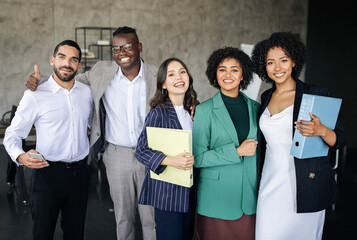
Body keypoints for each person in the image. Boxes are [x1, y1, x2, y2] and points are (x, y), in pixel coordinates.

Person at [26, 26, 156, 240]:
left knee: (151, 217)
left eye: (128, 47)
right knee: (123, 218)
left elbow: (178, 93)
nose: (122, 53)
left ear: (139, 47)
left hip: (151, 154)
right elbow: (68, 78)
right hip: (116, 154)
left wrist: (192, 103)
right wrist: (38, 81)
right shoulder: (101, 72)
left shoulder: (156, 75)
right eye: (116, 48)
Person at [251, 32, 345, 240]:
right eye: (270, 62)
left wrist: (322, 131)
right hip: (270, 184)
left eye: (283, 60)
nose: (278, 68)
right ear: (263, 67)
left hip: (306, 186)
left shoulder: (314, 93)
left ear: (293, 61)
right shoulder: (266, 97)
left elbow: (340, 139)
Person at [4, 40, 93, 240]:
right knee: (43, 233)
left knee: (75, 234)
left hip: (80, 174)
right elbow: (12, 134)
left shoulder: (87, 93)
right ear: (53, 60)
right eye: (62, 57)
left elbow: (92, 124)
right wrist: (20, 155)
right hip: (48, 174)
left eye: (73, 59)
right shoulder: (35, 95)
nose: (67, 63)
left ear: (79, 66)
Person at [192, 47, 259, 240]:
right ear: (215, 73)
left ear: (243, 75)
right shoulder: (204, 111)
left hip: (249, 197)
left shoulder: (256, 108)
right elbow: (198, 158)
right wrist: (237, 151)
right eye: (222, 69)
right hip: (216, 198)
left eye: (234, 70)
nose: (228, 74)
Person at [135, 58, 198, 240]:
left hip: (190, 190)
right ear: (163, 83)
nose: (178, 77)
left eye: (182, 72)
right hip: (168, 193)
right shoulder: (158, 113)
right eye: (171, 74)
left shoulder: (194, 111)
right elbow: (141, 150)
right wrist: (171, 160)